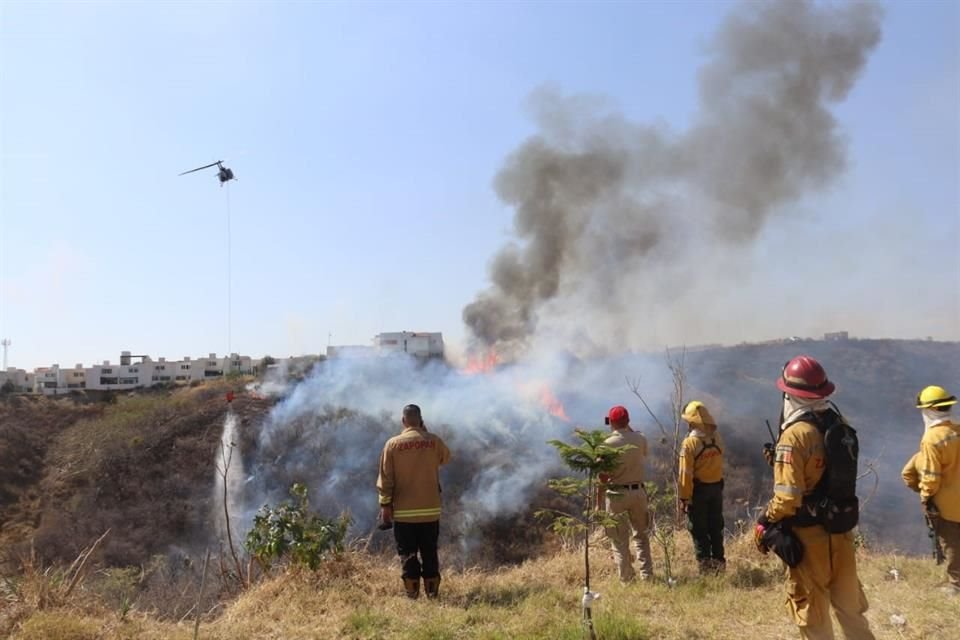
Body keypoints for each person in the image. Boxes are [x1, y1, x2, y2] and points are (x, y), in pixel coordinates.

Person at [755, 356, 875, 640]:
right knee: (850, 611)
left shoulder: (795, 436)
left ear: (791, 393)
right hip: (841, 531)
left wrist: (764, 521)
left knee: (814, 617)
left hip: (809, 539)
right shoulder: (838, 423)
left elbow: (787, 500)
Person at [376, 404, 451, 599]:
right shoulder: (433, 441)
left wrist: (385, 507)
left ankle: (412, 596)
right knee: (429, 552)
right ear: (421, 420)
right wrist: (424, 435)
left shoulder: (392, 444)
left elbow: (386, 479)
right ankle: (433, 594)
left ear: (403, 421)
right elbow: (446, 458)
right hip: (430, 511)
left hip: (403, 513)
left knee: (408, 554)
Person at [912, 385, 960, 593]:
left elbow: (931, 476)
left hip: (948, 503)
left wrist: (925, 496)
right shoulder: (957, 430)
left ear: (929, 410)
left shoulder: (931, 439)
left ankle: (956, 584)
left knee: (951, 543)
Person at [598, 405, 653, 582]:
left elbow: (603, 477)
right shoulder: (640, 439)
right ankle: (647, 575)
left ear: (611, 422)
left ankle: (627, 580)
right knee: (641, 535)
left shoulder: (607, 444)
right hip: (638, 492)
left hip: (616, 494)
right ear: (628, 421)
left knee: (619, 541)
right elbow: (642, 452)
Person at [679, 400, 725, 574]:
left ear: (692, 422)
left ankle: (706, 569)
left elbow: (685, 474)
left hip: (698, 492)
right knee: (715, 527)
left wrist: (684, 497)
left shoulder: (689, 444)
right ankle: (720, 565)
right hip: (716, 490)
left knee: (699, 529)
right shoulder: (716, 438)